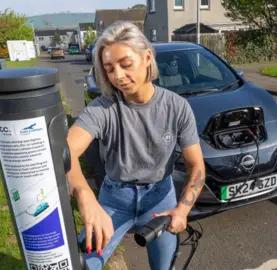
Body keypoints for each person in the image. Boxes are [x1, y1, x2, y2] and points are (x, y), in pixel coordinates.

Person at [66, 21, 206, 270]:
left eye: (126, 64)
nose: (117, 75)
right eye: (109, 69)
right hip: (114, 200)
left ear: (147, 57)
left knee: (164, 267)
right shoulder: (103, 108)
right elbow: (65, 152)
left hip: (160, 200)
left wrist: (182, 210)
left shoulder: (177, 107)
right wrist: (85, 196)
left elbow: (197, 166)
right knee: (82, 265)